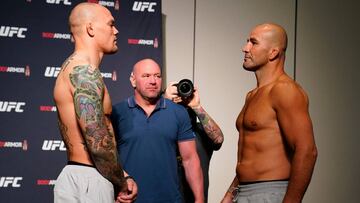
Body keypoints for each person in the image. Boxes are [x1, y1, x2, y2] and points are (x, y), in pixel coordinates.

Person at [221, 23, 318, 203]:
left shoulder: (285, 90)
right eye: (247, 42)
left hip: (270, 193)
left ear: (273, 52)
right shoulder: (252, 95)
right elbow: (250, 156)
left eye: (253, 43)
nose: (245, 48)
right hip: (243, 190)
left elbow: (307, 151)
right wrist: (230, 195)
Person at [53, 3, 137, 203]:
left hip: (81, 176)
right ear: (90, 28)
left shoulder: (73, 67)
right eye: (111, 24)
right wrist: (122, 183)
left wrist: (122, 174)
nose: (116, 31)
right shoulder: (84, 73)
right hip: (89, 180)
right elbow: (97, 142)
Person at [111, 58, 204, 203]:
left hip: (170, 199)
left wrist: (199, 199)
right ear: (133, 80)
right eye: (146, 76)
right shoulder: (116, 112)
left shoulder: (178, 112)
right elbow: (107, 158)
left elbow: (190, 159)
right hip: (129, 200)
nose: (153, 81)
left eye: (157, 76)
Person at [164, 82, 224, 203]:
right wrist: (165, 103)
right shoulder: (163, 132)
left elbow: (218, 139)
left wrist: (196, 105)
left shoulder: (200, 131)